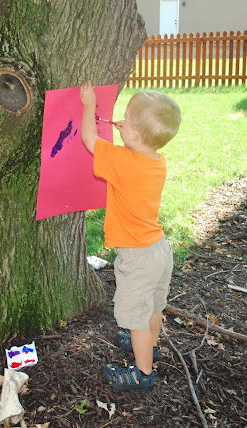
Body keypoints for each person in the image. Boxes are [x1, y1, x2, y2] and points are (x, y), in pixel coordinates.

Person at [79, 80, 181, 392]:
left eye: (126, 120)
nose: (120, 123)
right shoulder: (156, 162)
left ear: (135, 134)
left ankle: (142, 374)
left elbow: (88, 138)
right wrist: (130, 134)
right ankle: (149, 346)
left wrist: (88, 104)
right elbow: (129, 143)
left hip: (137, 256)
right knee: (154, 308)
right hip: (159, 250)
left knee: (135, 318)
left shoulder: (123, 161)